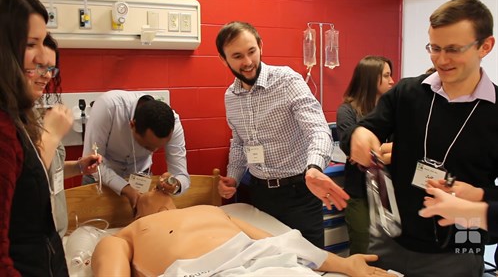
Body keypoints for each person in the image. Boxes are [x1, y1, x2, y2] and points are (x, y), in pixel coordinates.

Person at [341, 0, 497, 275]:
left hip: (463, 238)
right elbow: (365, 128)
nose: (441, 59)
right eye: (434, 48)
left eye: (453, 49)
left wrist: (481, 195)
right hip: (394, 234)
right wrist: (360, 134)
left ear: (485, 46)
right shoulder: (408, 92)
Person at [215, 21, 350, 248]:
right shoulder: (231, 96)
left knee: (308, 263)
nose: (247, 62)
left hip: (299, 191)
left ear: (260, 46)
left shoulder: (287, 80)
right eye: (237, 56)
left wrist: (314, 168)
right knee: (272, 262)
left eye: (251, 52)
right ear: (224, 59)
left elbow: (318, 130)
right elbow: (239, 143)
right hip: (261, 194)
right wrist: (233, 177)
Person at [91, 185, 396, 277]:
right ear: (134, 210)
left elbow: (279, 242)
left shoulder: (214, 211)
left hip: (267, 264)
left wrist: (345, 264)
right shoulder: (125, 234)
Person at [0, 0, 68, 275]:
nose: (43, 67)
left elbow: (24, 181)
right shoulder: (5, 130)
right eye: (30, 44)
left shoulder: (19, 117)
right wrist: (50, 137)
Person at [27, 33, 102, 237]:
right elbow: (26, 180)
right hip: (30, 241)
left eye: (51, 69)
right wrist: (51, 134)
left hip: (54, 234)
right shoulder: (12, 124)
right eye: (40, 66)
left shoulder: (36, 114)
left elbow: (51, 172)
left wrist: (78, 167)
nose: (47, 75)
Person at [82, 90, 190, 210]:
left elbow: (181, 175)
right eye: (147, 146)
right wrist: (125, 188)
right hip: (99, 177)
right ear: (132, 125)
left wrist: (175, 185)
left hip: (140, 179)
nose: (153, 150)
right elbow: (91, 163)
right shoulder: (108, 107)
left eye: (158, 147)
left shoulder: (173, 122)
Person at [336, 55, 394, 254]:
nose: (392, 80)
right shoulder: (347, 111)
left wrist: (376, 152)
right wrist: (387, 151)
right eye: (386, 76)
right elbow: (352, 149)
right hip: (360, 190)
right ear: (371, 79)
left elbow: (403, 146)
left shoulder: (394, 111)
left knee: (390, 247)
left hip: (390, 192)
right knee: (362, 245)